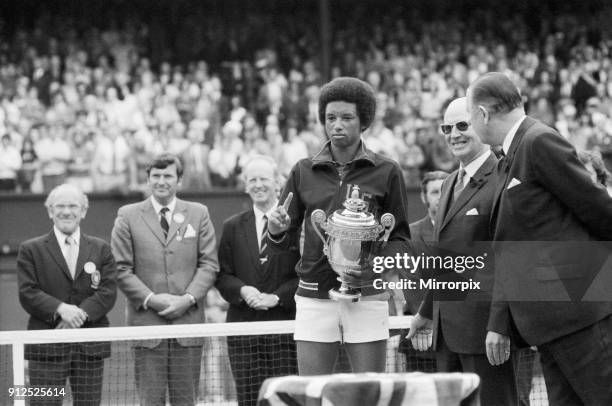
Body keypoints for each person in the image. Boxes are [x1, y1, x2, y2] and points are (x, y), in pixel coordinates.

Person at [467, 72, 612, 405]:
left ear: (484, 114)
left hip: (579, 317)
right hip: (551, 327)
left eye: (470, 118)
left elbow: (598, 209)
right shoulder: (514, 152)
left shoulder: (538, 141)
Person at [267, 77, 411, 375]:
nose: (337, 125)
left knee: (368, 393)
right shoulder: (302, 171)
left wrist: (373, 266)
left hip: (368, 294)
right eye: (330, 118)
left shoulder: (387, 171)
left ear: (364, 122)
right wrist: (277, 230)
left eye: (347, 118)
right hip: (313, 294)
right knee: (313, 393)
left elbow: (400, 240)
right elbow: (281, 243)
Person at [408, 97, 518, 405]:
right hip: (447, 335)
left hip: (487, 336)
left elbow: (509, 260)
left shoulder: (502, 177)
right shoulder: (448, 183)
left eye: (462, 125)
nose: (453, 134)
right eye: (447, 127)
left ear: (481, 123)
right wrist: (427, 311)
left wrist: (499, 325)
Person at [111, 153, 219, 406]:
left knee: (186, 401)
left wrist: (187, 299)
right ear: (147, 180)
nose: (161, 181)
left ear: (179, 180)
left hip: (188, 325)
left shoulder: (199, 213)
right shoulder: (127, 215)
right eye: (156, 176)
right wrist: (153, 300)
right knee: (150, 402)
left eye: (168, 175)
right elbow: (121, 268)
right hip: (147, 327)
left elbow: (209, 264)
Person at [17, 183, 117, 406]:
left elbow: (108, 292)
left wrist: (78, 314)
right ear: (50, 211)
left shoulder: (102, 249)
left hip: (89, 349)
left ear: (83, 211)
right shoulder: (30, 249)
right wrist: (62, 310)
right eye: (59, 206)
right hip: (46, 349)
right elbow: (28, 292)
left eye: (73, 205)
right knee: (45, 404)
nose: (66, 211)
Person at [216, 155, 299, 406]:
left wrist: (276, 297)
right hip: (244, 332)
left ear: (278, 184)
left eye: (264, 178)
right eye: (252, 179)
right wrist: (242, 290)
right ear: (245, 186)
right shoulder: (231, 226)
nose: (258, 184)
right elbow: (222, 275)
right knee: (249, 400)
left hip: (285, 331)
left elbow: (305, 274)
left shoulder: (295, 224)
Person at [398, 171, 447, 373]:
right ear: (423, 197)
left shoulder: (469, 230)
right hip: (422, 343)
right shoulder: (409, 235)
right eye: (435, 192)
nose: (441, 197)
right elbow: (413, 286)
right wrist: (429, 320)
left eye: (445, 191)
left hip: (464, 338)